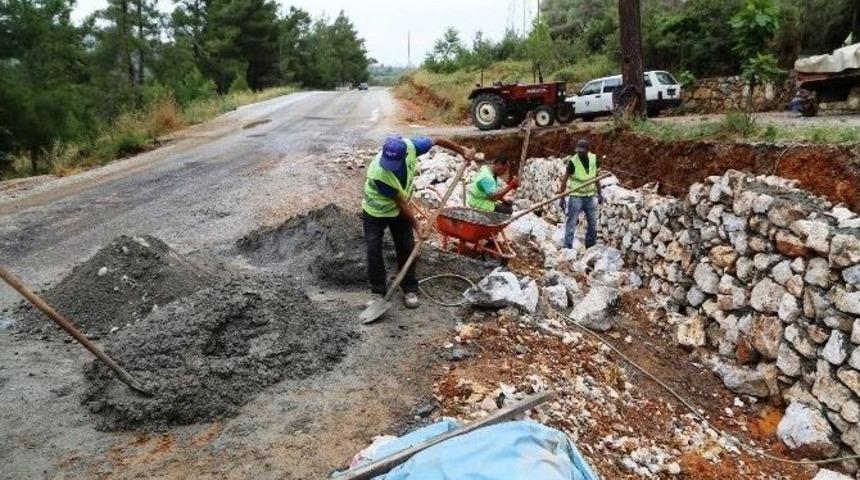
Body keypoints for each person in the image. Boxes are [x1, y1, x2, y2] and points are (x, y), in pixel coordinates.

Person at [362, 135, 476, 308]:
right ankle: (377, 292)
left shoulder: (412, 146)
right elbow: (400, 203)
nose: (388, 167)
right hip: (375, 211)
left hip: (399, 210)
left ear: (405, 155)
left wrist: (462, 150)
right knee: (373, 249)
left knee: (406, 246)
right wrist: (417, 225)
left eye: (393, 164)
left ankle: (409, 288)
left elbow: (437, 140)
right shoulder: (379, 173)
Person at [559, 138, 600, 250]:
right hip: (576, 196)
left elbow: (596, 177)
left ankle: (590, 245)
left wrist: (600, 193)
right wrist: (562, 198)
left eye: (582, 151)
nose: (579, 153)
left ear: (587, 150)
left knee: (593, 222)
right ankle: (567, 246)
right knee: (572, 221)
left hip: (590, 196)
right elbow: (565, 179)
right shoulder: (573, 161)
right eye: (578, 151)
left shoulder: (594, 158)